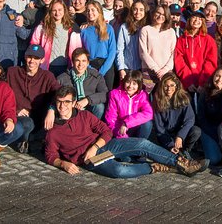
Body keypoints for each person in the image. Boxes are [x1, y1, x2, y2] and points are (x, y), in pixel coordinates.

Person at [45, 86, 208, 178]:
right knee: (119, 170)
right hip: (91, 159)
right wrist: (63, 163)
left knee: (142, 143)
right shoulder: (53, 132)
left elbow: (106, 131)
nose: (62, 106)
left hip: (103, 147)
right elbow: (51, 155)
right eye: (59, 102)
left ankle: (183, 163)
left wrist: (95, 146)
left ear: (74, 102)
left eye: (67, 102)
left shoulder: (84, 115)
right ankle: (154, 168)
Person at [6, 44, 61, 154]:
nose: (32, 61)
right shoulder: (12, 72)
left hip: (39, 116)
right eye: (30, 57)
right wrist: (16, 109)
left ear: (42, 60)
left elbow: (59, 92)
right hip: (19, 115)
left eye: (36, 58)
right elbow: (2, 93)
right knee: (27, 123)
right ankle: (24, 140)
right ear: (25, 57)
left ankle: (32, 140)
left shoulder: (47, 76)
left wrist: (51, 109)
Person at [29, 0, 82, 76]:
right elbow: (34, 45)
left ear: (64, 10)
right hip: (47, 66)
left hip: (67, 66)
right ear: (50, 11)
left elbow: (78, 48)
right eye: (54, 10)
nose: (57, 13)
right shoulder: (42, 27)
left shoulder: (72, 27)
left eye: (60, 10)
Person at [152, 72, 201, 156]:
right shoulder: (157, 101)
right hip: (165, 135)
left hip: (181, 132)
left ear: (176, 86)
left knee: (196, 131)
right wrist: (171, 145)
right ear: (162, 86)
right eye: (166, 85)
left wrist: (180, 136)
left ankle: (186, 150)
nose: (169, 88)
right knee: (173, 155)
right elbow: (159, 128)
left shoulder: (183, 98)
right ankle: (174, 151)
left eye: (172, 85)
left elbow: (190, 119)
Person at [195, 67, 222, 166]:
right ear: (213, 77)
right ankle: (204, 146)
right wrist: (213, 133)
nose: (220, 79)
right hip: (208, 130)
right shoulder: (205, 92)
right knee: (214, 160)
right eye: (217, 76)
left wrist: (221, 135)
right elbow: (201, 117)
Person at [56, 48, 108, 120]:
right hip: (70, 109)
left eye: (83, 61)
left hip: (89, 107)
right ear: (73, 62)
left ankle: (93, 128)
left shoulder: (96, 76)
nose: (80, 64)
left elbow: (105, 94)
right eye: (77, 60)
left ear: (88, 63)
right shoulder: (62, 78)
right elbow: (54, 97)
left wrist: (88, 100)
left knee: (99, 107)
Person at [174, 9, 218, 93]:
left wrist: (203, 82)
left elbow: (211, 62)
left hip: (204, 84)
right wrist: (188, 81)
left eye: (200, 19)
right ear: (189, 20)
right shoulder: (181, 40)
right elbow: (179, 61)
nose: (197, 20)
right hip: (186, 83)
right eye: (194, 17)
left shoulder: (209, 40)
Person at [104, 70, 153, 139]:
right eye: (128, 82)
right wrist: (120, 135)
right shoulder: (115, 94)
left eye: (134, 84)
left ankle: (139, 145)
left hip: (135, 126)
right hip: (120, 129)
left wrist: (127, 123)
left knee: (147, 124)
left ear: (139, 85)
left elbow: (148, 113)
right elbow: (111, 118)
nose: (130, 86)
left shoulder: (143, 95)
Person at [139, 4, 177, 92]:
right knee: (148, 100)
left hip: (166, 71)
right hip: (149, 71)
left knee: (164, 100)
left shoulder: (171, 31)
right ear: (153, 13)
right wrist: (156, 69)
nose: (160, 16)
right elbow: (143, 52)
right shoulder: (145, 30)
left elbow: (173, 53)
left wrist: (165, 69)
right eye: (158, 13)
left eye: (163, 15)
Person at [81, 1, 117, 88]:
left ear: (99, 11)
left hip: (106, 65)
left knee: (107, 94)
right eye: (88, 10)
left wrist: (102, 71)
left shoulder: (108, 28)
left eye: (93, 10)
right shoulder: (83, 30)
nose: (90, 13)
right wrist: (89, 68)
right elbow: (82, 50)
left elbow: (112, 51)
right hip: (90, 65)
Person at [116, 0, 147, 80]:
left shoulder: (148, 28)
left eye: (141, 10)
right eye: (135, 9)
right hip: (127, 67)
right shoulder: (124, 27)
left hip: (144, 68)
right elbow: (119, 49)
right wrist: (121, 68)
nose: (138, 12)